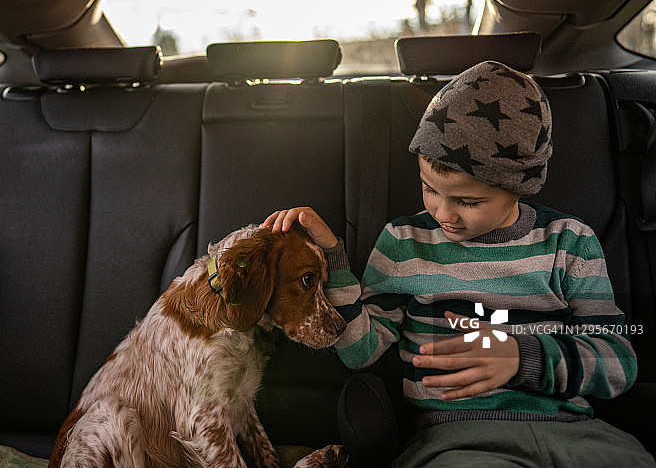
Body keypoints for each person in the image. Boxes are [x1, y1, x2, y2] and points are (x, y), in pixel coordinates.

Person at [262, 61, 655, 467]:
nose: (443, 214)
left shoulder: (569, 242)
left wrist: (523, 357)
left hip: (578, 434)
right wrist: (333, 260)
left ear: (520, 186)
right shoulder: (404, 242)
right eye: (429, 189)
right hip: (459, 440)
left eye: (468, 202)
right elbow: (360, 351)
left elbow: (617, 362)